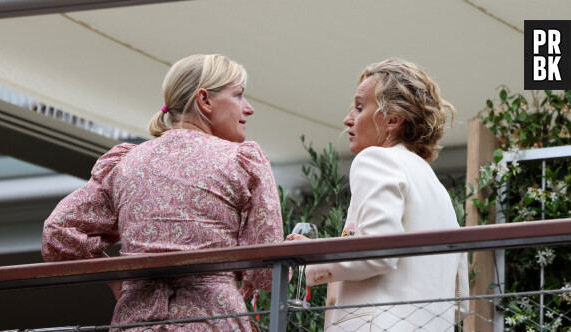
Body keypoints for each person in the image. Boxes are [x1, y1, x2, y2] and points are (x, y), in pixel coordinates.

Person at [42, 54, 285, 331]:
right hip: (212, 320)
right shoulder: (242, 160)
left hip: (135, 322)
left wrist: (117, 279)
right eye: (239, 95)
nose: (249, 108)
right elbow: (267, 271)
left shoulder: (126, 162)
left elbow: (57, 231)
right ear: (205, 101)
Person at [287, 58, 469, 331]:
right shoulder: (438, 190)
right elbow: (461, 302)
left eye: (359, 108)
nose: (348, 119)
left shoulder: (375, 159)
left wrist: (310, 258)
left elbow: (378, 253)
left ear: (393, 120)